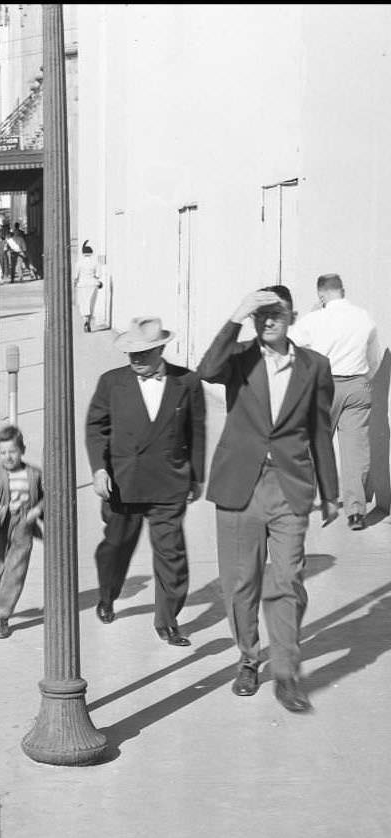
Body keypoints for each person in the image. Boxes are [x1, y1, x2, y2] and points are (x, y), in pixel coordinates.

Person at [198, 286, 338, 713]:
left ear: (292, 315)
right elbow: (206, 369)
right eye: (260, 313)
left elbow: (319, 430)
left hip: (290, 485)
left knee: (287, 580)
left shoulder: (315, 366)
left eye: (275, 312)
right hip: (241, 483)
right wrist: (236, 314)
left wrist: (331, 493)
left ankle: (286, 672)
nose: (267, 319)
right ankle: (247, 657)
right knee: (241, 582)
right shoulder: (239, 358)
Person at [85, 317, 206, 645]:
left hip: (169, 483)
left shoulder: (187, 382)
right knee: (116, 546)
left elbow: (196, 430)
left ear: (161, 348)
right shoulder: (111, 383)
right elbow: (96, 428)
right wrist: (99, 469)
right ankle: (108, 595)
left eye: (144, 352)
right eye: (131, 353)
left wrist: (196, 477)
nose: (136, 359)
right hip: (123, 484)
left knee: (171, 554)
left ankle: (167, 620)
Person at [289, 274, 382, 530]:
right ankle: (356, 512)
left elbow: (290, 344)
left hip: (324, 386)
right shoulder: (364, 317)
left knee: (313, 447)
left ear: (321, 295)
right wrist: (365, 379)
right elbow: (373, 358)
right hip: (358, 385)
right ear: (343, 290)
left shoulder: (315, 319)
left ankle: (304, 503)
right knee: (356, 452)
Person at [0, 424, 44, 638]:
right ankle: (1, 594)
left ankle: (2, 616)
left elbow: (45, 496)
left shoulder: (34, 474)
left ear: (22, 450)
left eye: (12, 451)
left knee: (15, 570)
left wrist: (37, 510)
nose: (8, 457)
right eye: (3, 452)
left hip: (23, 524)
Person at [75, 242, 101, 332]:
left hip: (82, 284)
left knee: (83, 303)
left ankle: (85, 320)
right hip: (93, 284)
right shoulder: (95, 263)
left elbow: (76, 276)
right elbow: (98, 275)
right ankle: (88, 321)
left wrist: (75, 282)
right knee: (91, 303)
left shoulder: (79, 263)